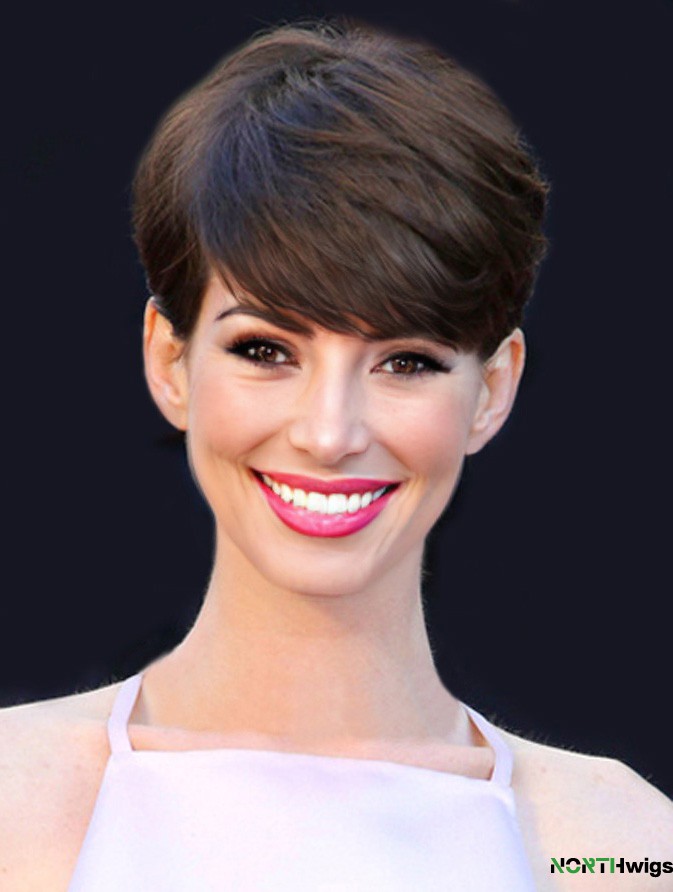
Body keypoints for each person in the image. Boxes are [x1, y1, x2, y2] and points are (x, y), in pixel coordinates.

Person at [1, 18, 671, 891]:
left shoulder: (615, 848)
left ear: (493, 388)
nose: (328, 433)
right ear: (170, 360)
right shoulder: (17, 802)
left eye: (406, 362)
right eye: (265, 350)